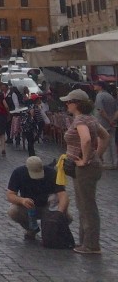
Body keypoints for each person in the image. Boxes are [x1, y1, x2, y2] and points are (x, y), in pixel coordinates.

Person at [61, 88, 110, 254]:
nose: (67, 104)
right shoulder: (91, 119)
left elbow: (87, 140)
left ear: (77, 104)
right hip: (89, 167)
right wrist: (98, 155)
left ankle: (91, 244)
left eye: (69, 102)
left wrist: (86, 159)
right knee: (84, 204)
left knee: (87, 205)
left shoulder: (81, 120)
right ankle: (85, 241)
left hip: (85, 168)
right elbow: (105, 137)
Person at [6, 156, 69, 241]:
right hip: (29, 207)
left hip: (48, 206)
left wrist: (59, 213)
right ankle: (31, 229)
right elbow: (10, 195)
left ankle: (51, 229)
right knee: (13, 211)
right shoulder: (18, 173)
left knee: (64, 213)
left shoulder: (51, 173)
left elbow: (63, 194)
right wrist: (22, 200)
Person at [92, 81, 117, 168]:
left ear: (100, 87)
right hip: (112, 122)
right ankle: (115, 162)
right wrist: (112, 119)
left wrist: (108, 120)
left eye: (95, 84)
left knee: (103, 142)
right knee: (112, 142)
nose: (94, 86)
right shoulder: (110, 96)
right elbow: (116, 110)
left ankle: (108, 162)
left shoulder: (99, 95)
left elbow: (100, 110)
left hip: (102, 122)